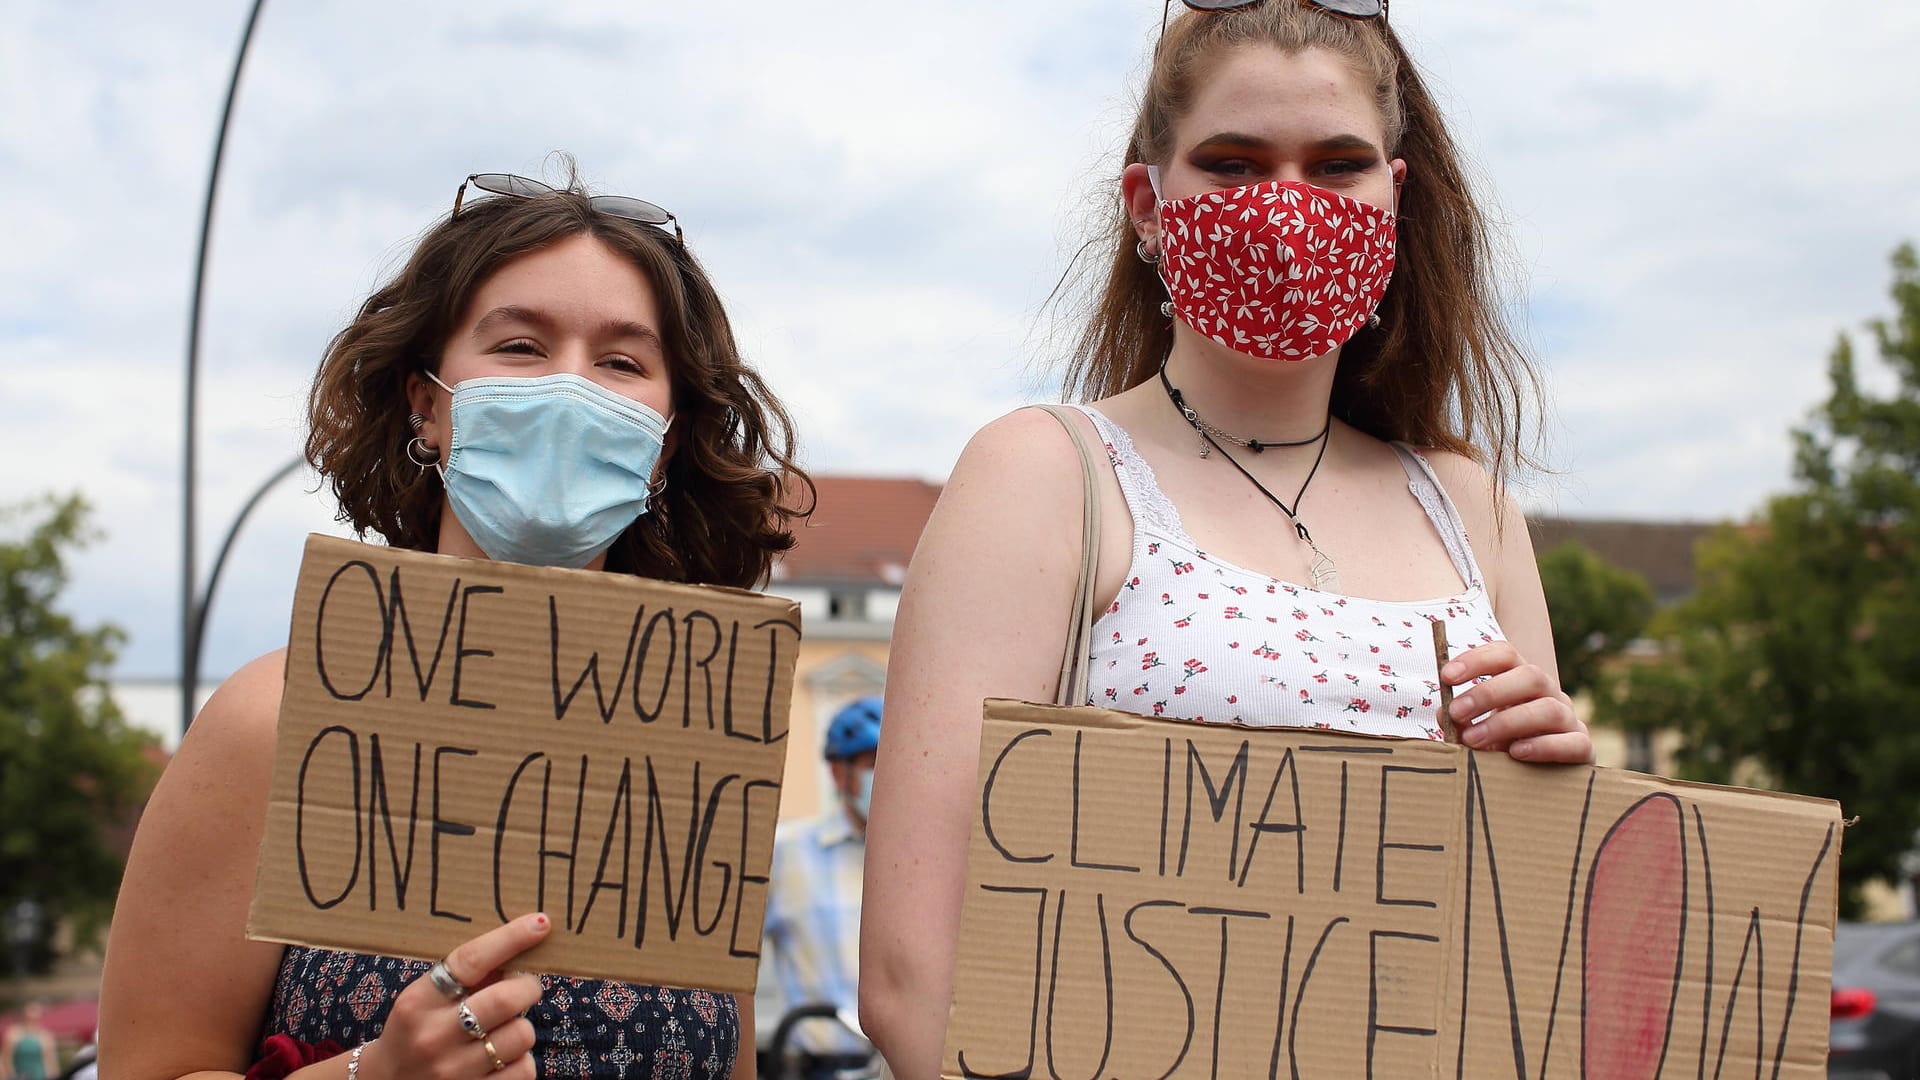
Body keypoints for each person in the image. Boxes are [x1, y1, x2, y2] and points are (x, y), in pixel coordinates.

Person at [858, 2, 1592, 1074]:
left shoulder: (1473, 510)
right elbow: (914, 976)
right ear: (1149, 207)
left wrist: (1558, 789)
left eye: (1336, 165)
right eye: (1236, 166)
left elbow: (1535, 952)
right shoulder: (1048, 474)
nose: (1287, 209)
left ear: (1394, 198)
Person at [99, 165, 810, 1079]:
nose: (569, 388)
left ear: (665, 439)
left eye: (622, 362)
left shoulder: (700, 745)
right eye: (520, 346)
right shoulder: (277, 719)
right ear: (427, 403)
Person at [756, 698, 881, 1078]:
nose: (888, 776)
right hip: (821, 1069)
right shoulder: (787, 852)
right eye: (873, 764)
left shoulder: (928, 861)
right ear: (839, 773)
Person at [1, 1002, 58, 1080]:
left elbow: (51, 1061)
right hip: (18, 1076)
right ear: (24, 1016)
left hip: (41, 1076)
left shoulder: (45, 1036)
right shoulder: (13, 1033)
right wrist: (10, 1076)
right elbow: (6, 1059)